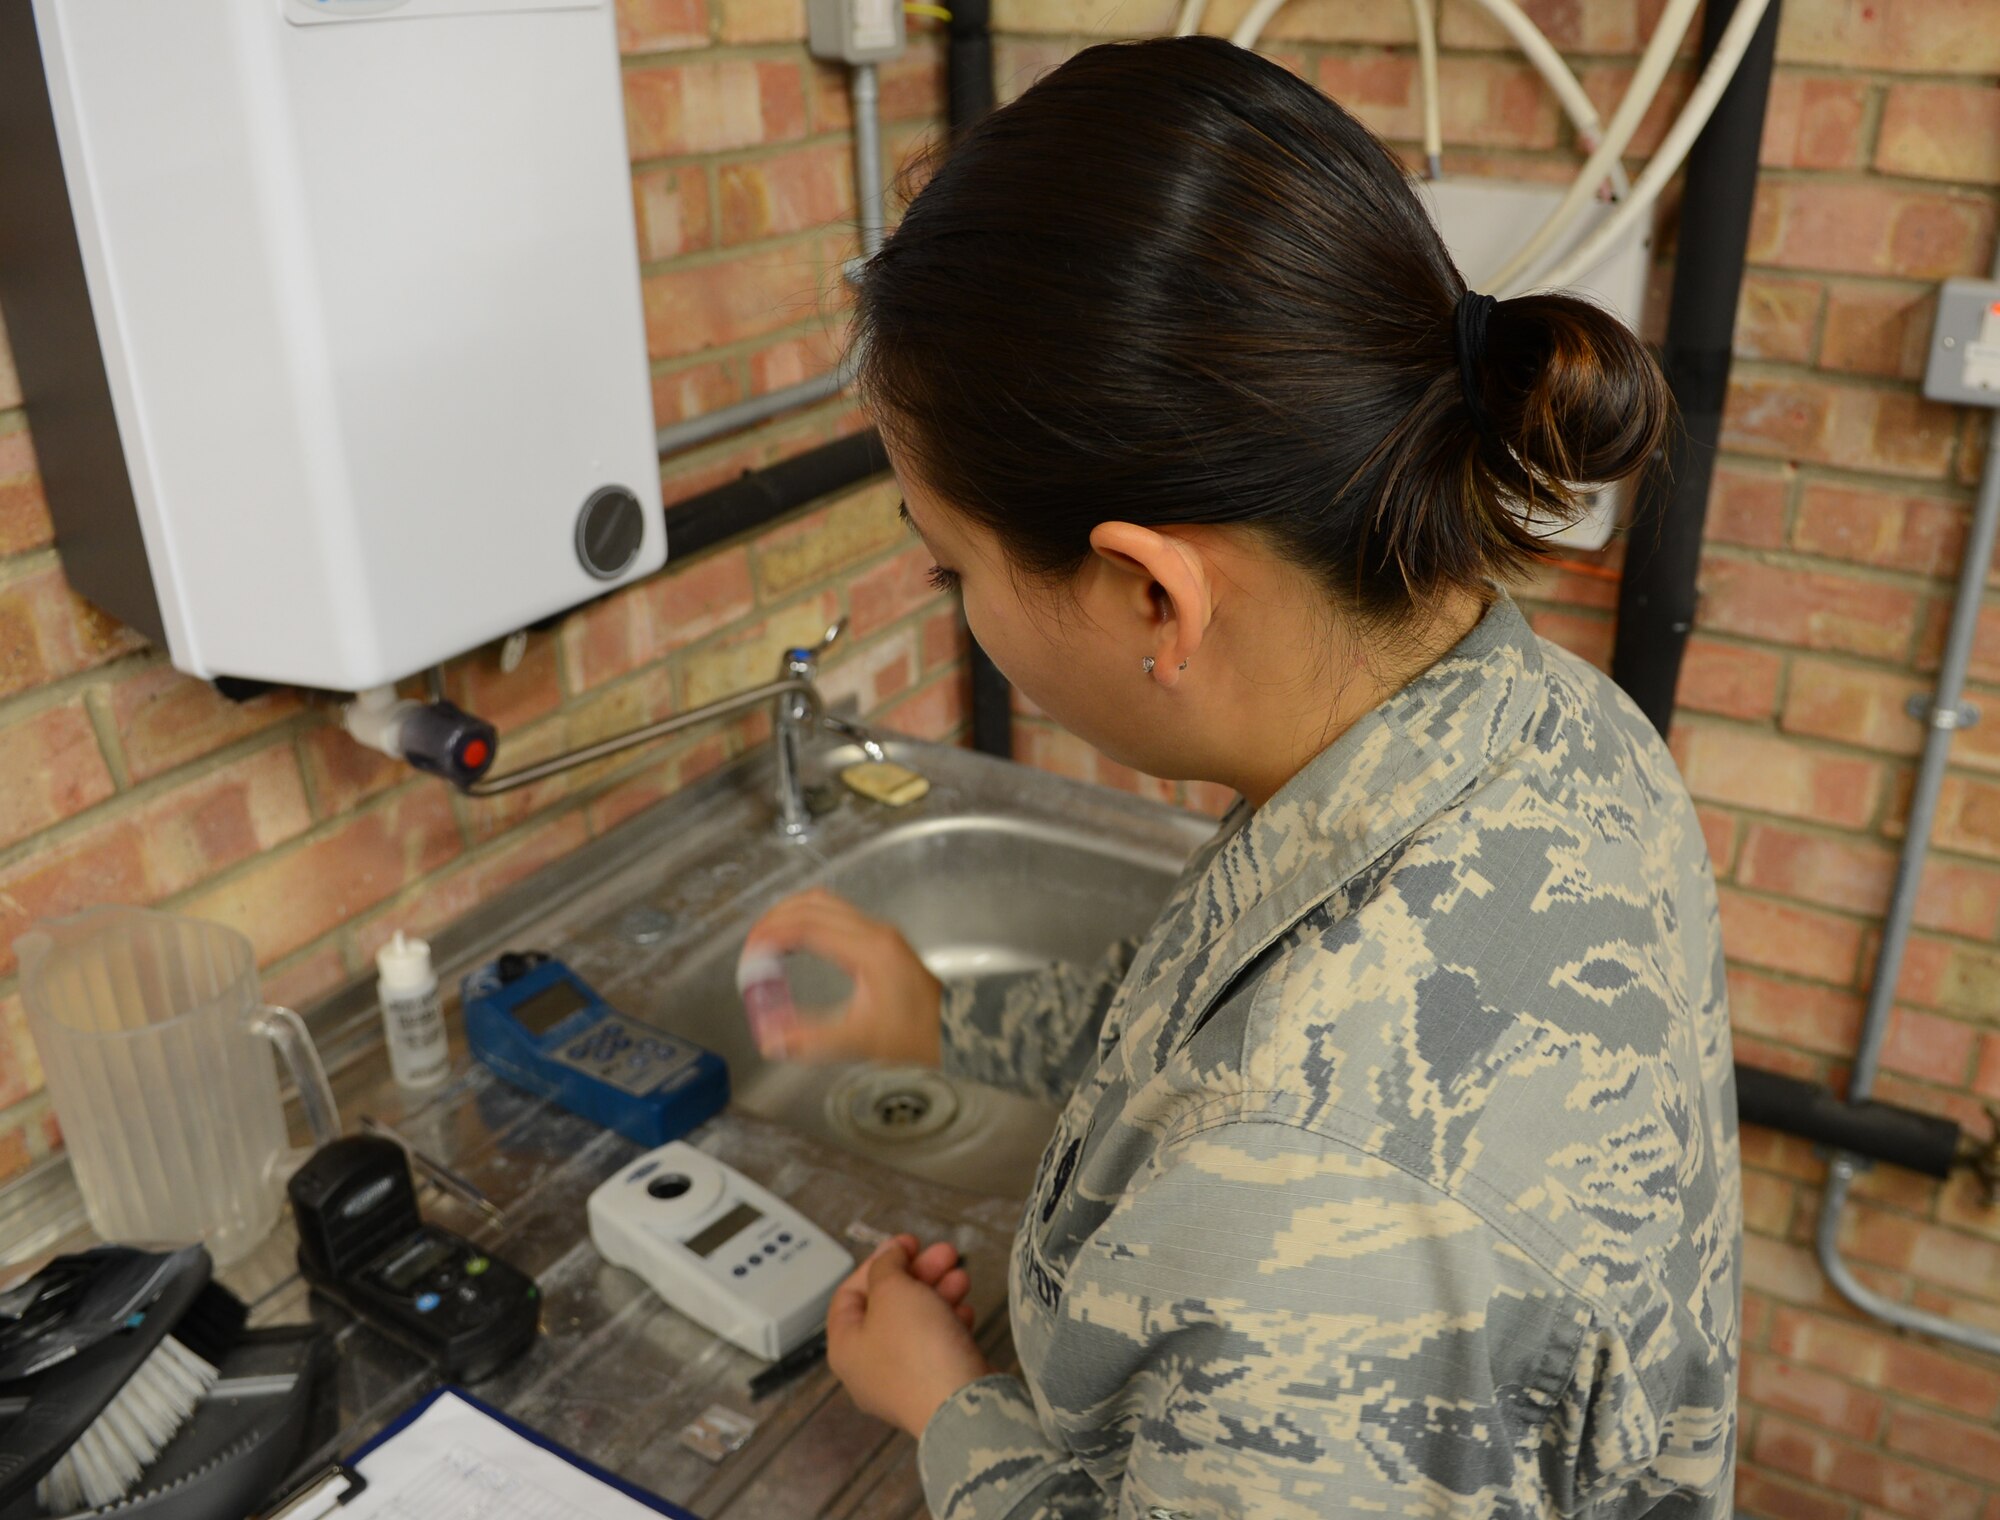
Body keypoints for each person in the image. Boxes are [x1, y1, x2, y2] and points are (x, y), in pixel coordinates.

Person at [741, 34, 1740, 1520]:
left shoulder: (1317, 1223)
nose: (957, 606)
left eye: (951, 568)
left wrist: (947, 1408)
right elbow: (1212, 1022)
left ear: (1156, 596)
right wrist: (948, 1019)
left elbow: (1286, 1112)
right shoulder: (1543, 725)